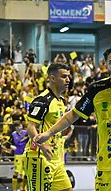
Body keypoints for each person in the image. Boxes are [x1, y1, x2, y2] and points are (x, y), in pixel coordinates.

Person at [35, 46, 111, 190]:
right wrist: (49, 133)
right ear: (106, 66)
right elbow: (72, 115)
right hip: (106, 165)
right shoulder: (96, 90)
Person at [23, 63, 73, 191]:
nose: (68, 80)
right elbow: (30, 126)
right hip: (39, 158)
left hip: (56, 160)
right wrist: (42, 145)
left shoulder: (60, 101)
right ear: (52, 78)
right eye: (64, 76)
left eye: (69, 76)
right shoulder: (43, 100)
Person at [9, 122, 29, 191]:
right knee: (17, 172)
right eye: (18, 127)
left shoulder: (26, 133)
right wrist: (13, 147)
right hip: (17, 155)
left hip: (25, 155)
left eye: (20, 126)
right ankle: (14, 189)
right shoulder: (13, 134)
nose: (19, 128)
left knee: (25, 172)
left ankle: (23, 188)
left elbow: (30, 141)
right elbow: (9, 144)